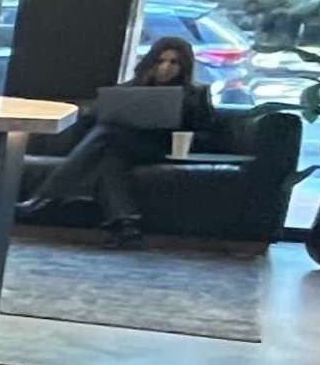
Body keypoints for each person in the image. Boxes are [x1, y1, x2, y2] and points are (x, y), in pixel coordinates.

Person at [19, 33, 219, 246]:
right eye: (160, 61)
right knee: (110, 158)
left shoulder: (196, 94)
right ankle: (126, 226)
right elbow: (93, 117)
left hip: (163, 148)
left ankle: (44, 198)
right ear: (151, 62)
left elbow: (209, 135)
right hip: (125, 147)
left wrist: (182, 127)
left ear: (184, 66)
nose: (166, 67)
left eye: (174, 62)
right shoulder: (132, 88)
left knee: (108, 133)